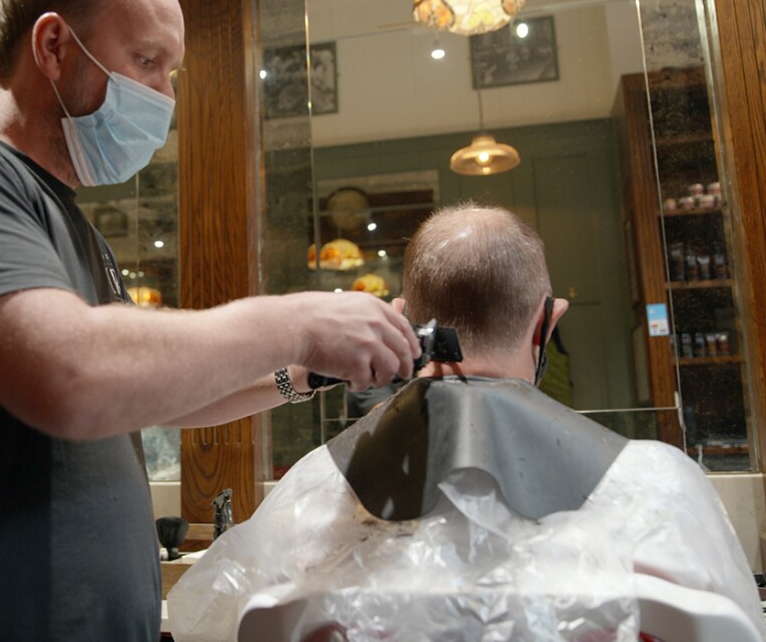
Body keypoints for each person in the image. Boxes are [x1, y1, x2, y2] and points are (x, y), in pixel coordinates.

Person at [0, 0, 420, 642]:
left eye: (170, 71)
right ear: (55, 46)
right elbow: (74, 374)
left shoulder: (76, 232)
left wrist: (307, 371)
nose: (165, 95)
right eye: (148, 59)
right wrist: (300, 320)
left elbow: (150, 396)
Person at [168, 203, 766, 641]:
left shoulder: (314, 492)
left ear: (400, 320)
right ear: (545, 326)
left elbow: (213, 623)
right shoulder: (658, 486)